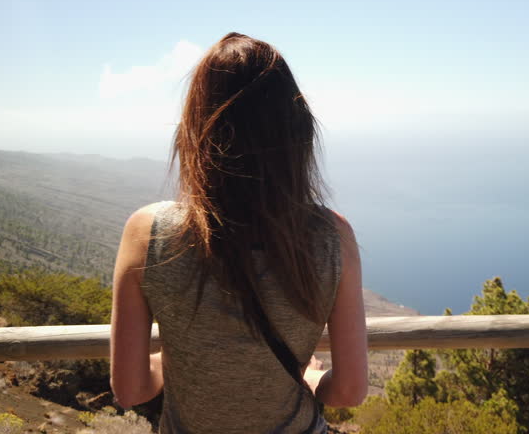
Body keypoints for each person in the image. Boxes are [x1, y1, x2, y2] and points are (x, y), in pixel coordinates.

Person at [109, 32, 368, 434]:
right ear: (296, 132)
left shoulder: (150, 234)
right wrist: (314, 378)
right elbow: (350, 391)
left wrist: (172, 360)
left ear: (198, 128)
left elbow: (130, 390)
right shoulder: (333, 237)